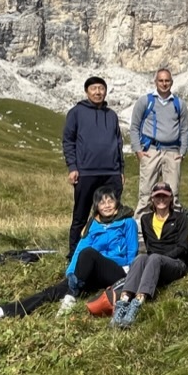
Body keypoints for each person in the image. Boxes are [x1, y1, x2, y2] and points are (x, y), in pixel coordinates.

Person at [0, 186, 137, 320]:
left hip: (117, 271)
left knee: (89, 253)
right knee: (51, 292)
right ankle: (1, 311)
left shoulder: (127, 221)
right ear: (96, 206)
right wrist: (72, 273)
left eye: (110, 201)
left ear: (117, 202)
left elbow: (132, 251)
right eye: (102, 202)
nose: (106, 205)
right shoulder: (93, 224)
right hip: (89, 271)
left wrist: (128, 278)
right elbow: (78, 251)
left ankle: (71, 296)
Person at [110, 182, 188, 327]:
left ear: (170, 198)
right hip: (153, 263)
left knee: (153, 257)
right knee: (141, 257)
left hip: (176, 263)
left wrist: (161, 258)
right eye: (157, 196)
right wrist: (154, 260)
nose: (161, 199)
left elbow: (183, 247)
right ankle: (124, 301)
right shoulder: (145, 219)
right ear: (152, 199)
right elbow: (149, 246)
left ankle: (138, 303)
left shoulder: (180, 218)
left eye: (164, 196)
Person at [62, 76, 124, 258]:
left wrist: (121, 171)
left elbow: (118, 143)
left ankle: (110, 251)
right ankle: (74, 254)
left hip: (111, 173)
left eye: (101, 88)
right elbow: (68, 140)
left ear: (105, 91)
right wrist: (72, 167)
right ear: (87, 91)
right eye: (94, 88)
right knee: (81, 214)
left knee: (112, 214)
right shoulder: (76, 112)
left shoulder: (111, 115)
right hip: (86, 172)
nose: (98, 92)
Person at [129, 68, 187, 217]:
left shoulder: (179, 103)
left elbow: (184, 129)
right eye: (161, 80)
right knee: (146, 192)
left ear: (172, 82)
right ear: (155, 82)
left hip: (173, 151)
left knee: (173, 192)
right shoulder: (145, 101)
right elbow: (134, 127)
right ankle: (141, 228)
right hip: (151, 150)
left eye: (167, 80)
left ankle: (174, 227)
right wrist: (139, 152)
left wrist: (182, 152)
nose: (164, 83)